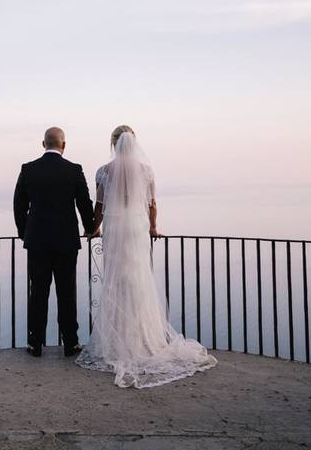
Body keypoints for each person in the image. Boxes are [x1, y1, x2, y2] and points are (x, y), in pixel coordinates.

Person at [76, 126, 216, 388]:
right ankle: (141, 340)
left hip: (116, 229)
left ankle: (117, 343)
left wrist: (95, 228)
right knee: (138, 281)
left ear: (113, 144)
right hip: (137, 228)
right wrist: (152, 228)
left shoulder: (104, 171)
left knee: (116, 281)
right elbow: (152, 204)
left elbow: (100, 206)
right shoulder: (146, 170)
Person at [13, 127, 95, 357]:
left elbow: (19, 205)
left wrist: (24, 232)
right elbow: (84, 204)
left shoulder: (28, 169)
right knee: (66, 292)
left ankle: (35, 343)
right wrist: (90, 229)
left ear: (43, 144)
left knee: (38, 292)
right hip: (67, 241)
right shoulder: (74, 170)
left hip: (37, 241)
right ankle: (70, 343)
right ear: (64, 145)